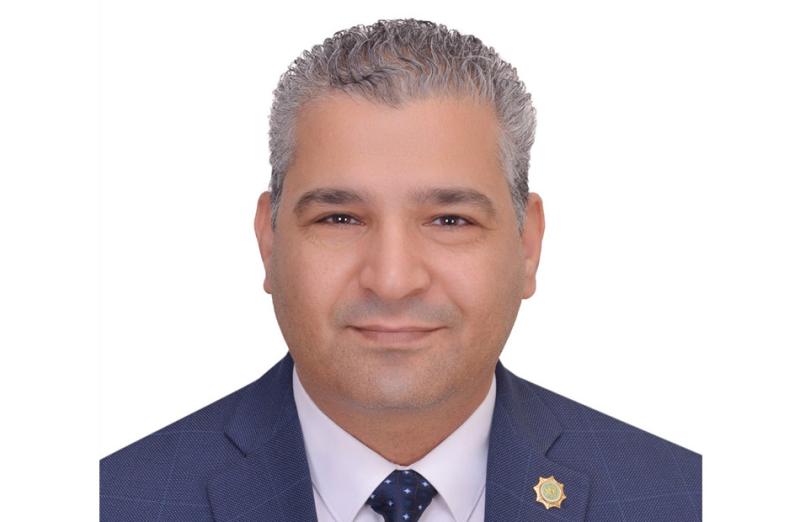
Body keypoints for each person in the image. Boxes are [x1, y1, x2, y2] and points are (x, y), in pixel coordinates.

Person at [100, 18, 701, 522]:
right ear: (269, 239)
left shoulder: (685, 499)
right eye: (339, 219)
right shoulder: (113, 501)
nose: (392, 281)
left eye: (449, 220)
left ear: (527, 245)